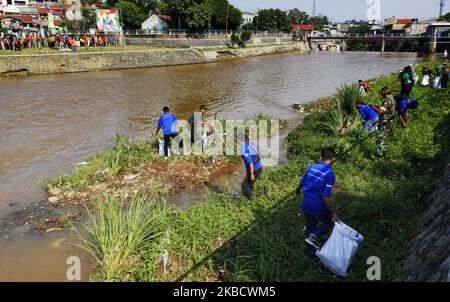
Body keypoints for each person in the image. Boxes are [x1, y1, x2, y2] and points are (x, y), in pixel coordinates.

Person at [295, 148, 337, 258]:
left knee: (310, 226)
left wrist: (297, 190)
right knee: (329, 222)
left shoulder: (311, 167)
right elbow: (325, 196)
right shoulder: (330, 174)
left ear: (321, 157)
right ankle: (315, 235)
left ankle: (309, 251)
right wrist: (333, 212)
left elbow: (301, 182)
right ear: (334, 159)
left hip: (306, 206)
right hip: (318, 208)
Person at [370, 86, 396, 158]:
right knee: (385, 137)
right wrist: (378, 106)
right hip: (390, 121)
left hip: (384, 122)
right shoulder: (393, 100)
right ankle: (384, 153)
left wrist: (373, 107)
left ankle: (379, 156)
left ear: (385, 93)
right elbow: (386, 109)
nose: (381, 95)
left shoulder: (386, 101)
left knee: (379, 138)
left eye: (382, 93)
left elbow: (380, 112)